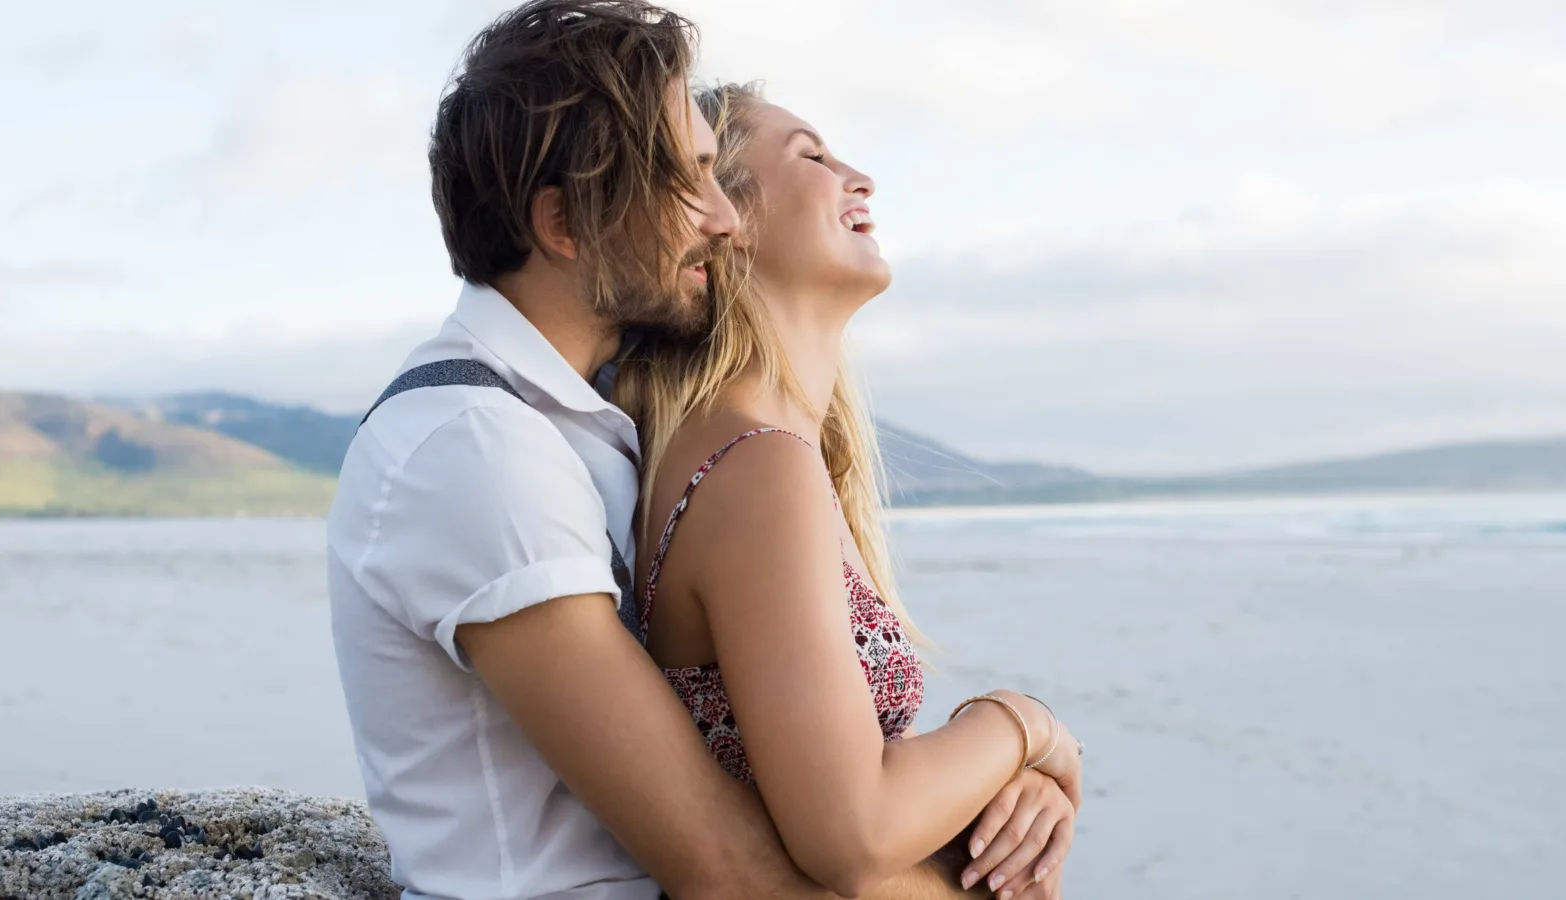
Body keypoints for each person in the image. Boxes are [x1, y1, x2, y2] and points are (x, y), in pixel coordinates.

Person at [328, 2, 1023, 898]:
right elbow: (730, 870)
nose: (723, 219)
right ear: (565, 223)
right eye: (687, 178)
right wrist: (1019, 731)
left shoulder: (587, 430)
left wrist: (999, 792)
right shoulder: (477, 451)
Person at [614, 84, 1084, 900]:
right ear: (728, 219)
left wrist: (1004, 801)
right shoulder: (755, 464)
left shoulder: (767, 454)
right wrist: (1022, 726)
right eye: (812, 157)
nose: (858, 176)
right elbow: (853, 835)